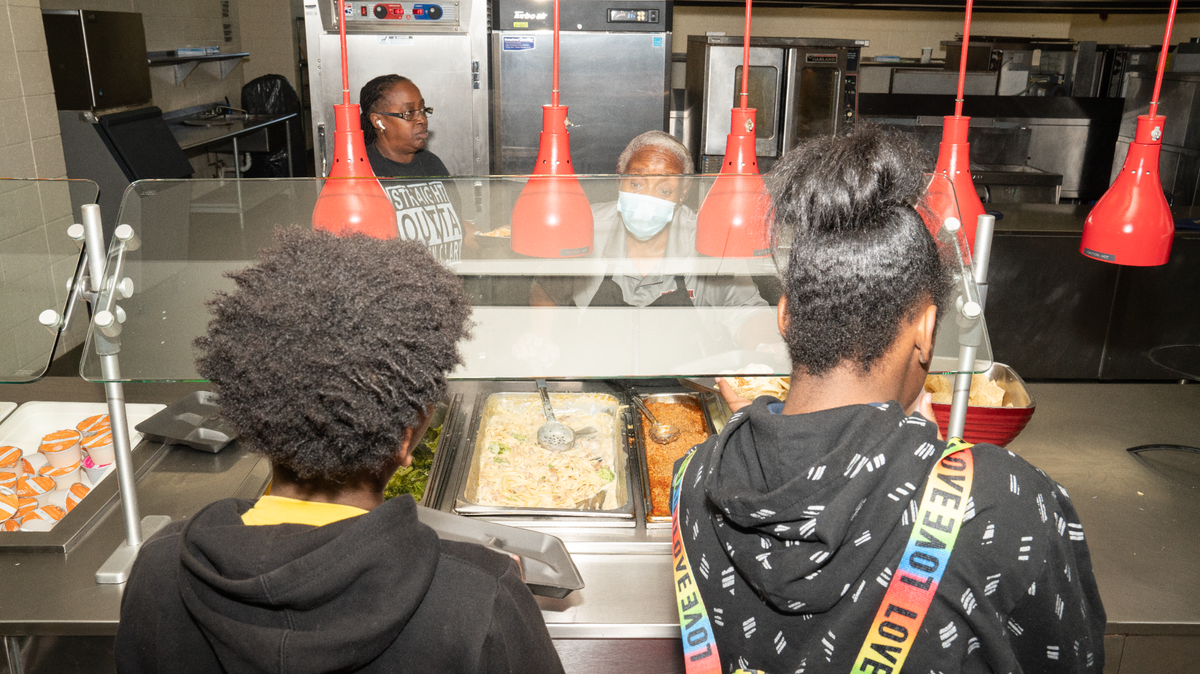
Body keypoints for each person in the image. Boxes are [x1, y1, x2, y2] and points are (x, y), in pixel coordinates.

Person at [672, 128, 1105, 674]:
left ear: (784, 316)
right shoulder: (1004, 502)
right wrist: (932, 457)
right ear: (926, 329)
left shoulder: (695, 477)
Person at [114, 228, 564, 674]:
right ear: (404, 440)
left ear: (257, 413)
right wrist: (489, 586)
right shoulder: (481, 596)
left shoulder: (159, 569)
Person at [531, 131, 779, 353]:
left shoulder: (706, 238)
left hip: (683, 391)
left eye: (664, 190)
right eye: (636, 184)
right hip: (598, 385)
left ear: (683, 192)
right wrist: (540, 338)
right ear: (619, 180)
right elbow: (547, 288)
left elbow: (747, 311)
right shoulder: (588, 226)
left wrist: (765, 345)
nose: (647, 199)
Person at [360, 74, 464, 263]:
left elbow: (459, 222)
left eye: (423, 110)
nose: (422, 120)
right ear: (378, 121)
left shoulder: (433, 164)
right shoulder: (363, 172)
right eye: (409, 113)